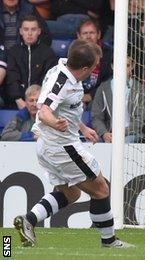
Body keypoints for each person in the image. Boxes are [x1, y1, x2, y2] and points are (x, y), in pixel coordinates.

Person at [13, 39, 133, 248]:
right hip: (62, 147)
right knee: (101, 189)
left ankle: (28, 221)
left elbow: (63, 108)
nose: (96, 68)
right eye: (95, 65)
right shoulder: (63, 83)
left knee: (71, 193)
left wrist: (83, 128)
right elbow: (45, 111)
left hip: (50, 145)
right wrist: (55, 123)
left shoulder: (62, 69)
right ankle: (109, 240)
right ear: (85, 68)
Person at [91, 56, 145, 143]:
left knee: (126, 142)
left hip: (131, 134)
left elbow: (140, 119)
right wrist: (104, 133)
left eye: (127, 65)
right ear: (112, 66)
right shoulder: (103, 88)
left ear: (132, 67)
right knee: (92, 142)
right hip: (108, 133)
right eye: (119, 65)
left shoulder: (139, 89)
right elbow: (96, 116)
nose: (122, 69)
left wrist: (120, 133)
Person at [4, 15, 56, 109]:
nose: (29, 33)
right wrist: (18, 100)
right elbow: (12, 78)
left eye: (33, 29)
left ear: (39, 31)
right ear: (20, 31)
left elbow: (48, 79)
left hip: (41, 102)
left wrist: (37, 101)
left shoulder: (48, 53)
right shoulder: (13, 52)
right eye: (26, 29)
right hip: (15, 102)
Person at [75, 18, 113, 108]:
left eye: (92, 33)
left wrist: (91, 95)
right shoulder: (72, 53)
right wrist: (77, 97)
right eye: (85, 33)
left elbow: (110, 81)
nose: (88, 36)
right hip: (77, 97)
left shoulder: (109, 54)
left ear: (99, 34)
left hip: (100, 97)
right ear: (79, 36)